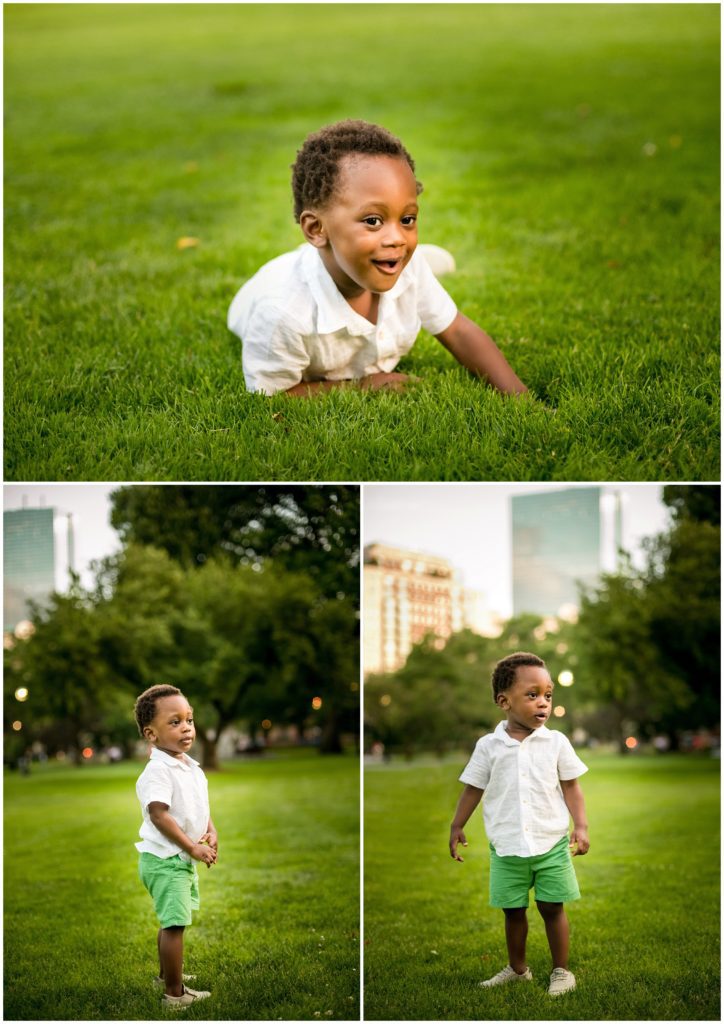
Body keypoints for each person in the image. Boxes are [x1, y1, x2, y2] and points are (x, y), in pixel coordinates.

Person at [227, 119, 528, 397]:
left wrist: (521, 398)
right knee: (388, 257)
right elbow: (272, 396)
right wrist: (363, 385)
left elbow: (459, 331)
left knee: (405, 262)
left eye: (407, 219)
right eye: (373, 220)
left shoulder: (406, 267)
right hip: (265, 289)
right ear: (316, 229)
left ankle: (420, 259)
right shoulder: (283, 314)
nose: (397, 237)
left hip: (350, 261)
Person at [449, 652, 589, 997]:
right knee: (513, 911)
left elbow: (572, 786)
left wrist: (581, 826)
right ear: (504, 700)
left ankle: (562, 972)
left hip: (550, 842)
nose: (543, 703)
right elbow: (473, 788)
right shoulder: (488, 746)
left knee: (552, 907)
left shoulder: (556, 742)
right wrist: (457, 825)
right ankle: (517, 969)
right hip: (507, 844)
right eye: (532, 695)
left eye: (548, 695)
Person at [134, 684, 218, 1009]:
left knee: (171, 921)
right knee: (174, 925)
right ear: (151, 734)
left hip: (175, 858)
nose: (186, 727)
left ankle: (166, 974)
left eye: (189, 719)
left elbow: (197, 806)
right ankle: (174, 993)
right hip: (166, 860)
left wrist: (211, 830)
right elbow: (159, 815)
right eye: (175, 721)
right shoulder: (158, 770)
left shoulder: (186, 764)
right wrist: (192, 847)